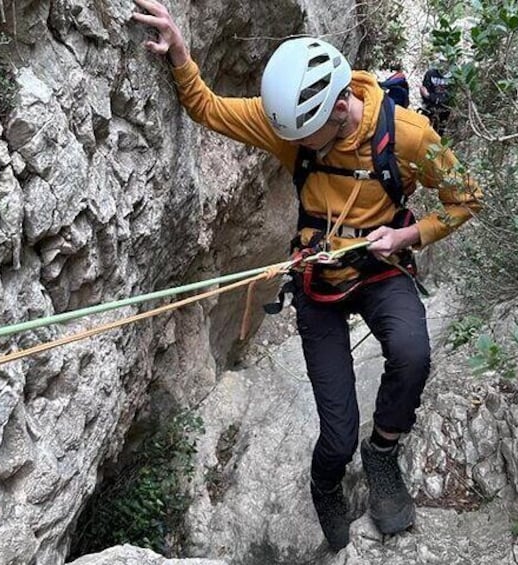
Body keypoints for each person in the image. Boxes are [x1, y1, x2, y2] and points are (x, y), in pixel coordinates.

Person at [133, 0, 482, 552]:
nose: (297, 146)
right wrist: (180, 52)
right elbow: (207, 108)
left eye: (309, 136)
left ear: (341, 106)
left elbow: (466, 198)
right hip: (318, 281)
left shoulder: (409, 137)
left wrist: (405, 237)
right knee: (336, 435)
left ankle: (384, 452)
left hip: (381, 267)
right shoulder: (289, 126)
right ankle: (327, 480)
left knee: (412, 352)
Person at [419, 55, 453, 135]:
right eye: (441, 61)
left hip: (444, 109)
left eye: (445, 62)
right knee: (423, 128)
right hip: (429, 107)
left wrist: (430, 96)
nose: (443, 64)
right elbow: (424, 90)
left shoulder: (453, 77)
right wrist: (428, 97)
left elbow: (450, 96)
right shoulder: (430, 73)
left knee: (439, 132)